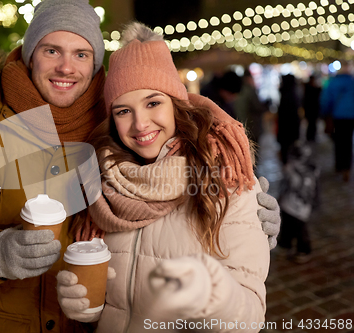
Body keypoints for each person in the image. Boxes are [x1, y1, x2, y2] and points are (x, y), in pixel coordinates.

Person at [0, 3, 280, 331]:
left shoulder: (114, 131)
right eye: (52, 50)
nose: (66, 66)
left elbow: (174, 190)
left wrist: (243, 212)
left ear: (96, 63)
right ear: (30, 54)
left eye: (82, 54)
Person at [56, 22, 270, 333]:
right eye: (123, 111)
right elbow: (115, 303)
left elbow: (250, 317)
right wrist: (88, 308)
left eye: (153, 103)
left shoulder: (223, 180)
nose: (140, 124)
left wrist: (214, 295)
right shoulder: (99, 184)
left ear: (176, 105)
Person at [277, 141, 319, 264]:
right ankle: (285, 245)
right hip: (290, 204)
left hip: (300, 206)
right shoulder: (293, 169)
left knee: (300, 230)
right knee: (287, 227)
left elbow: (314, 190)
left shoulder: (310, 171)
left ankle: (303, 249)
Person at [320, 62, 354, 182]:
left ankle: (340, 166)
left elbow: (326, 99)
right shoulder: (351, 81)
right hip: (351, 117)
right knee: (348, 141)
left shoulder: (333, 82)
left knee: (339, 141)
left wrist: (325, 113)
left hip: (338, 116)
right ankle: (347, 168)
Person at [277, 74, 301, 165]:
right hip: (289, 129)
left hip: (286, 129)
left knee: (286, 152)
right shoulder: (291, 94)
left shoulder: (286, 94)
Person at [303, 74, 322, 142]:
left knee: (312, 124)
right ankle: (311, 137)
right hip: (312, 110)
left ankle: (310, 137)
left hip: (310, 109)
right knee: (312, 124)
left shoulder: (307, 89)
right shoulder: (312, 89)